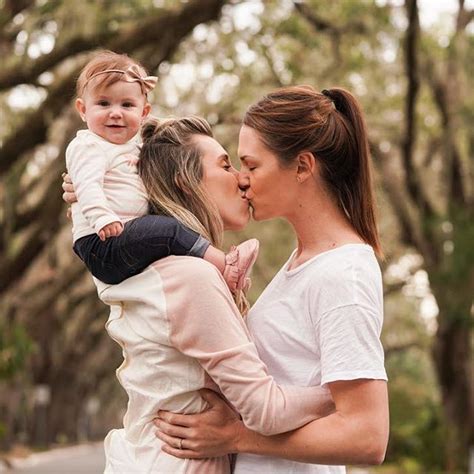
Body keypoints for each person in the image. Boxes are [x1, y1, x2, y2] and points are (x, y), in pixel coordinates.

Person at [63, 116, 335, 473]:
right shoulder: (191, 276)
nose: (241, 177)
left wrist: (94, 182)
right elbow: (265, 410)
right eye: (225, 165)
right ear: (186, 182)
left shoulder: (163, 270)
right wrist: (341, 395)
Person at [153, 86, 389, 473]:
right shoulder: (304, 261)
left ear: (302, 166)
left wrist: (236, 436)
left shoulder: (342, 274)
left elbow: (367, 435)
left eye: (252, 165)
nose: (242, 180)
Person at [66, 50, 258, 291]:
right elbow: (87, 185)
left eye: (127, 105)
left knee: (161, 229)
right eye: (103, 103)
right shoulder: (88, 146)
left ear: (143, 112)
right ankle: (226, 265)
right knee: (166, 231)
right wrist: (100, 215)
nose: (116, 113)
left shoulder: (131, 148)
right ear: (83, 109)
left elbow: (156, 146)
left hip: (120, 234)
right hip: (103, 240)